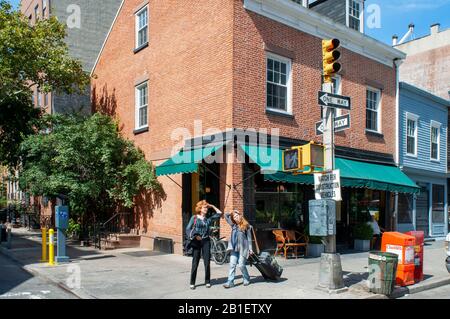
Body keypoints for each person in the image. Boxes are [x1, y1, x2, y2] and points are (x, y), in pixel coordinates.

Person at [185, 200, 223, 290]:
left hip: (206, 241)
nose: (206, 209)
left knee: (207, 262)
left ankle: (207, 281)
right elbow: (187, 229)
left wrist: (212, 205)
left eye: (206, 207)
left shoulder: (208, 219)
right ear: (200, 209)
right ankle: (192, 282)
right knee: (195, 262)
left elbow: (220, 213)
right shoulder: (194, 218)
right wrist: (195, 235)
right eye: (204, 207)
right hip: (197, 241)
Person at [223, 210, 254, 288]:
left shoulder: (247, 226)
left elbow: (249, 239)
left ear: (240, 216)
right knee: (232, 265)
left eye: (237, 216)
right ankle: (230, 282)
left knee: (241, 265)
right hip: (234, 248)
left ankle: (246, 278)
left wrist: (250, 249)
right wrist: (232, 212)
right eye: (234, 217)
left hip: (243, 248)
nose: (236, 218)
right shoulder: (233, 225)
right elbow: (225, 216)